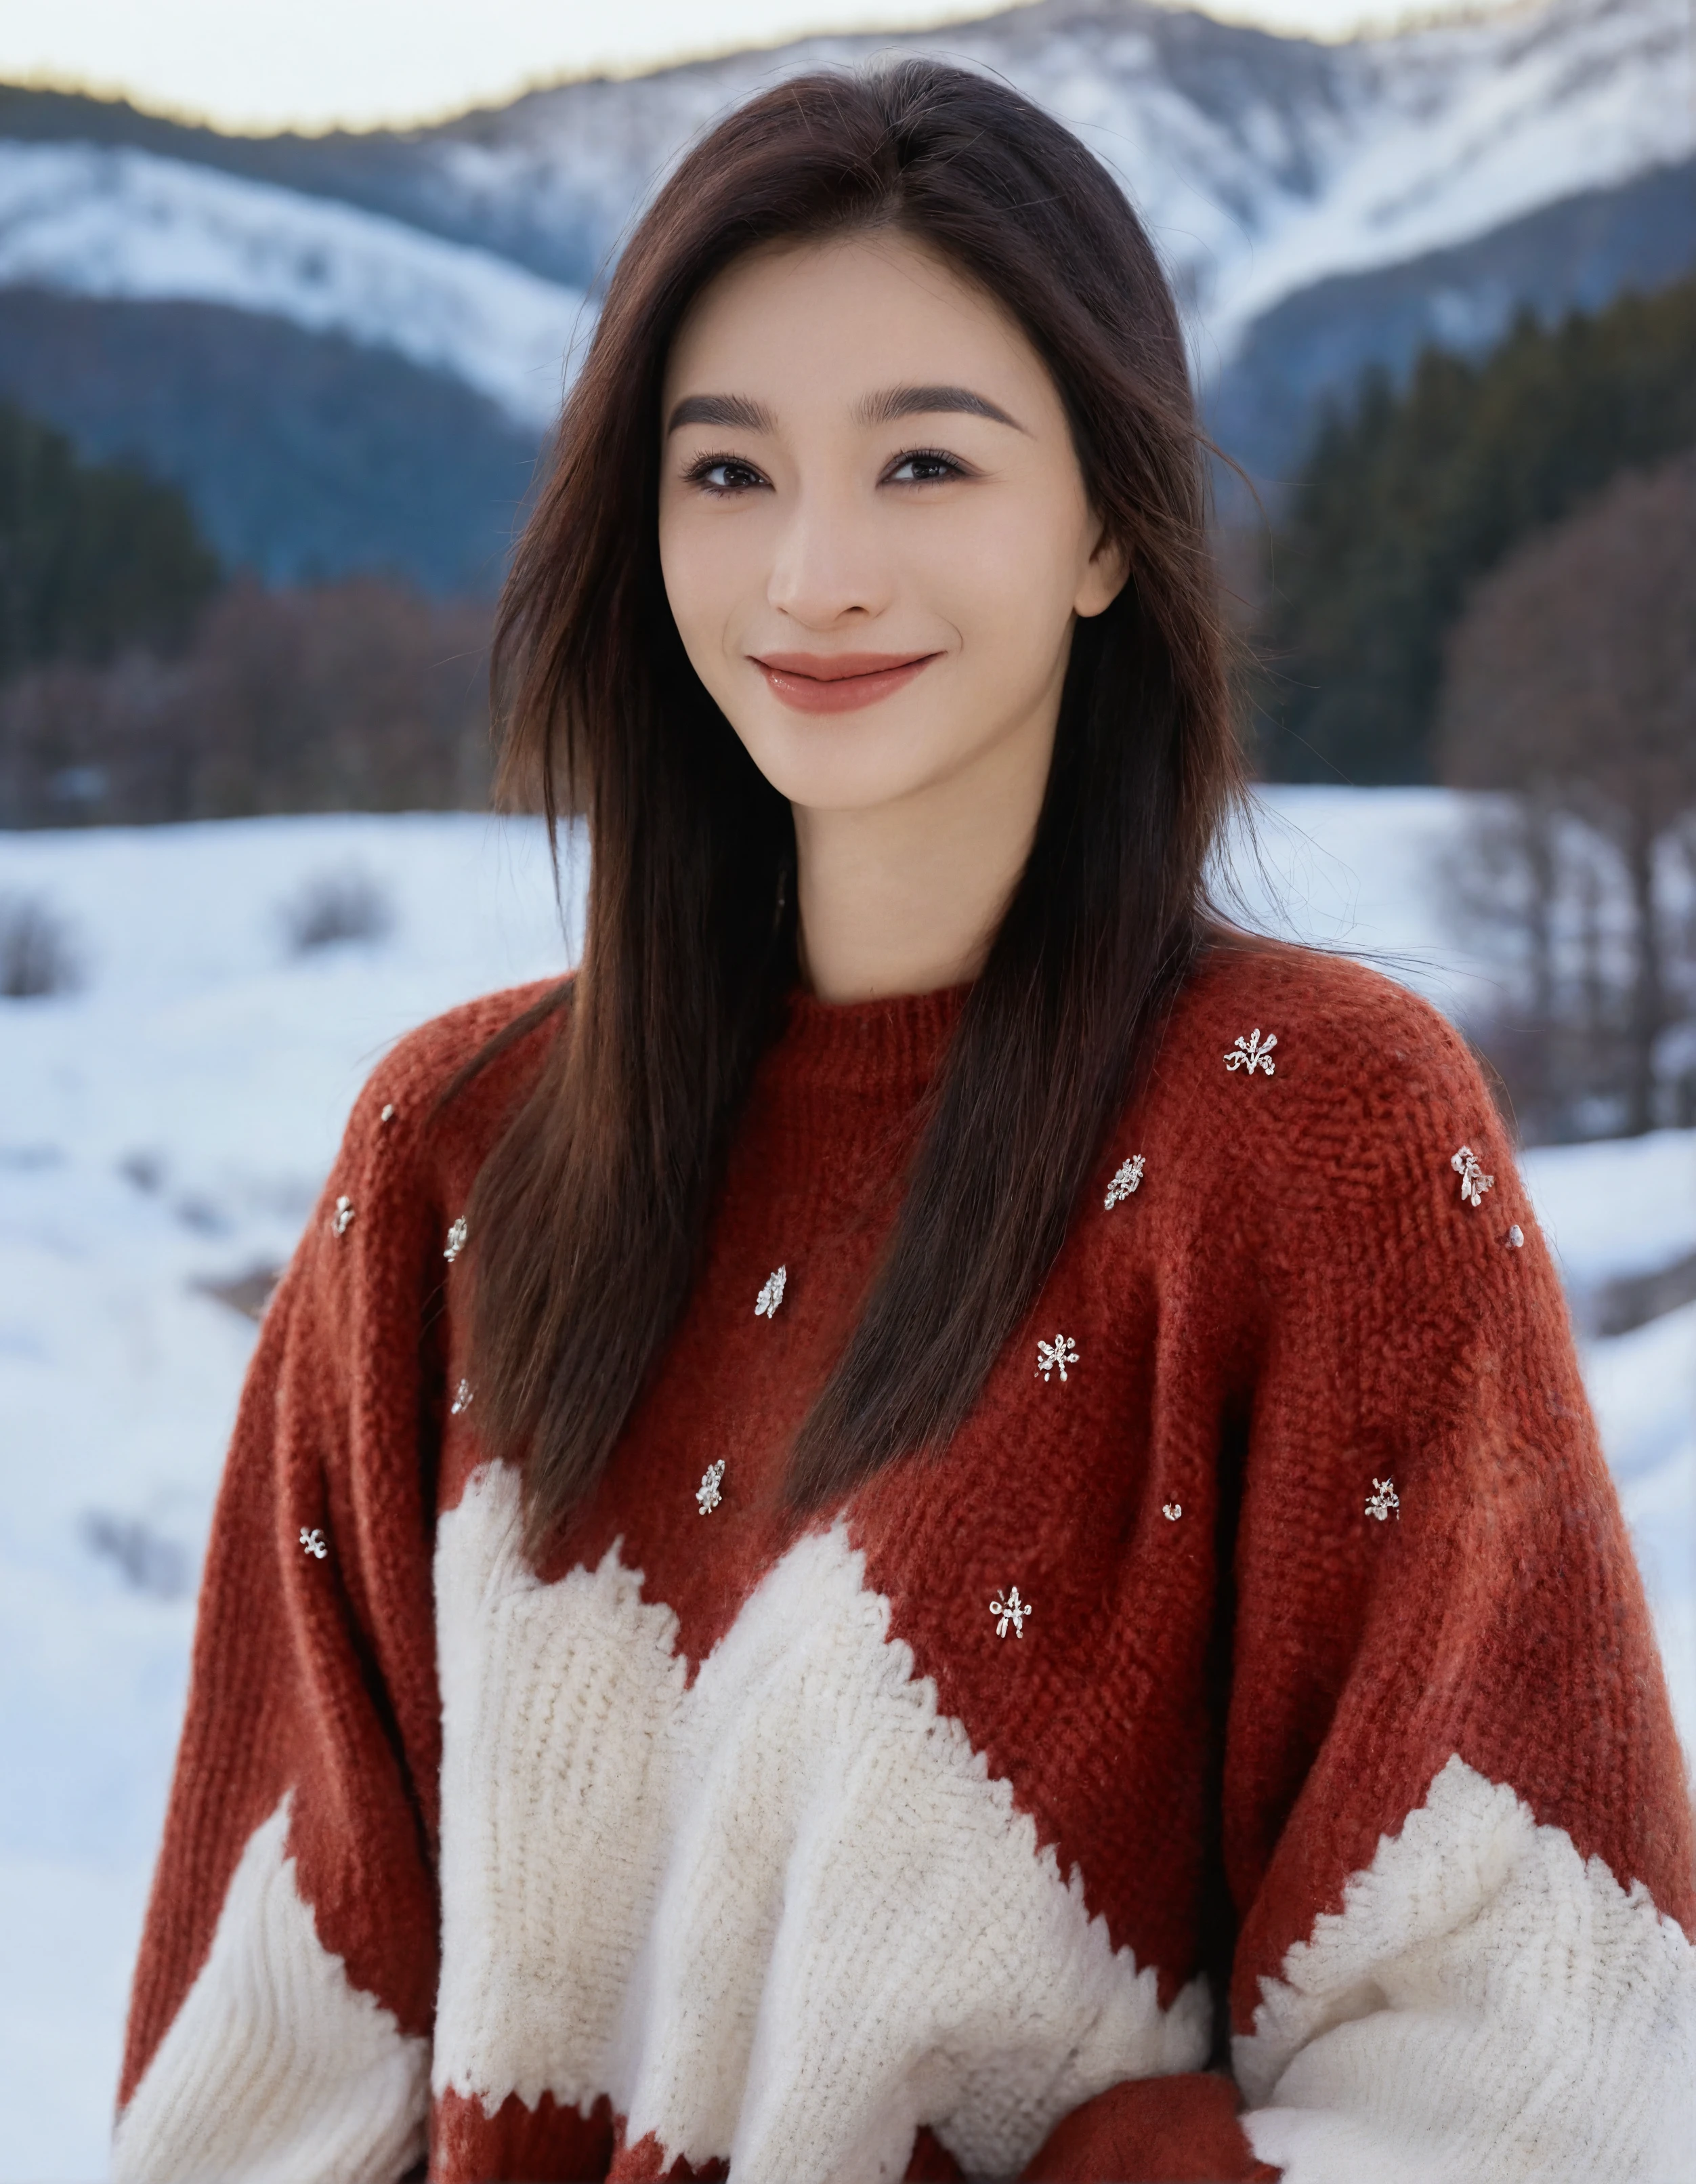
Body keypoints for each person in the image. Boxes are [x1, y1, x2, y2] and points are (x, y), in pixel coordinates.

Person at [112, 60, 1694, 2184]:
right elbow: (259, 2069)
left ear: (1112, 529)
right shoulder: (450, 1165)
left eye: (927, 462)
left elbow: (1543, 2050)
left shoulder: (1315, 1139)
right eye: (730, 473)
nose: (817, 572)